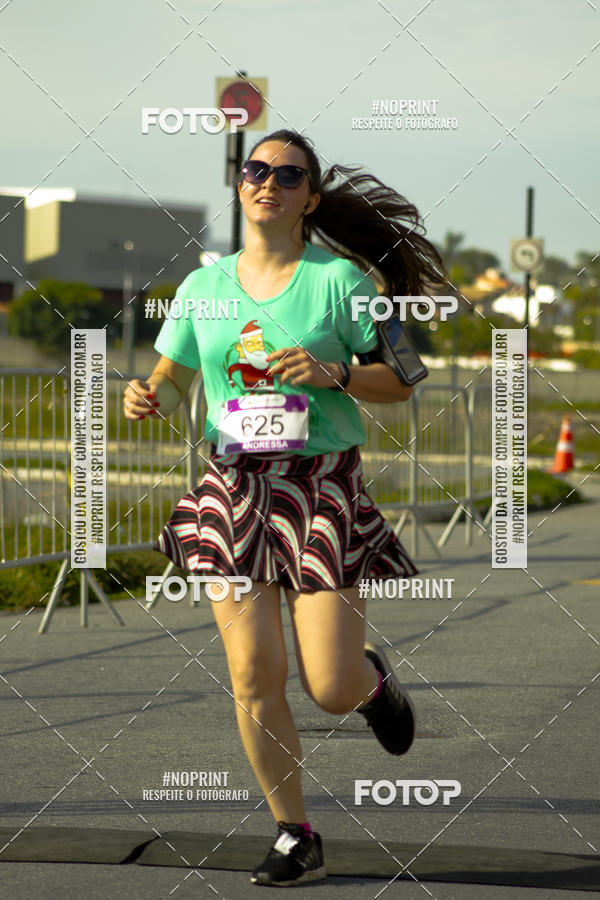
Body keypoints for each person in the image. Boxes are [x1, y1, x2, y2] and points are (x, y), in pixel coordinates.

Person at [123, 129, 443, 887]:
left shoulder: (344, 283)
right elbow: (171, 374)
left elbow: (402, 381)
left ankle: (371, 684)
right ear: (241, 186)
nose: (268, 182)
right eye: (256, 170)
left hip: (321, 488)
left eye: (287, 174)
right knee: (252, 676)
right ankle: (294, 832)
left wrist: (334, 371)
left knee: (326, 687)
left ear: (310, 197)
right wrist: (149, 394)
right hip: (232, 488)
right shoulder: (204, 287)